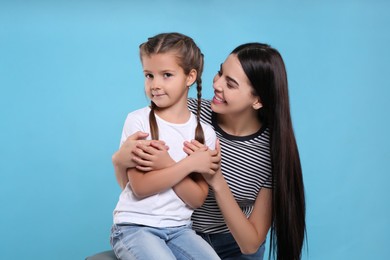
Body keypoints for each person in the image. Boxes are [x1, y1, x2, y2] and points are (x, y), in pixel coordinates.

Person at [112, 42, 306, 260]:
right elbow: (138, 189)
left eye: (230, 84)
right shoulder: (185, 113)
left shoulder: (271, 149)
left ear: (257, 100)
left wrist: (216, 179)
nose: (217, 84)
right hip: (180, 234)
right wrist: (119, 161)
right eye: (220, 72)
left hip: (234, 247)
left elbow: (250, 244)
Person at [110, 32, 221, 260]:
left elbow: (197, 199)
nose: (155, 85)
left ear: (190, 77)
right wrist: (188, 164)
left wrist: (167, 165)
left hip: (180, 230)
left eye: (167, 75)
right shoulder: (139, 122)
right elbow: (140, 187)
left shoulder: (205, 134)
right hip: (135, 227)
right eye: (149, 75)